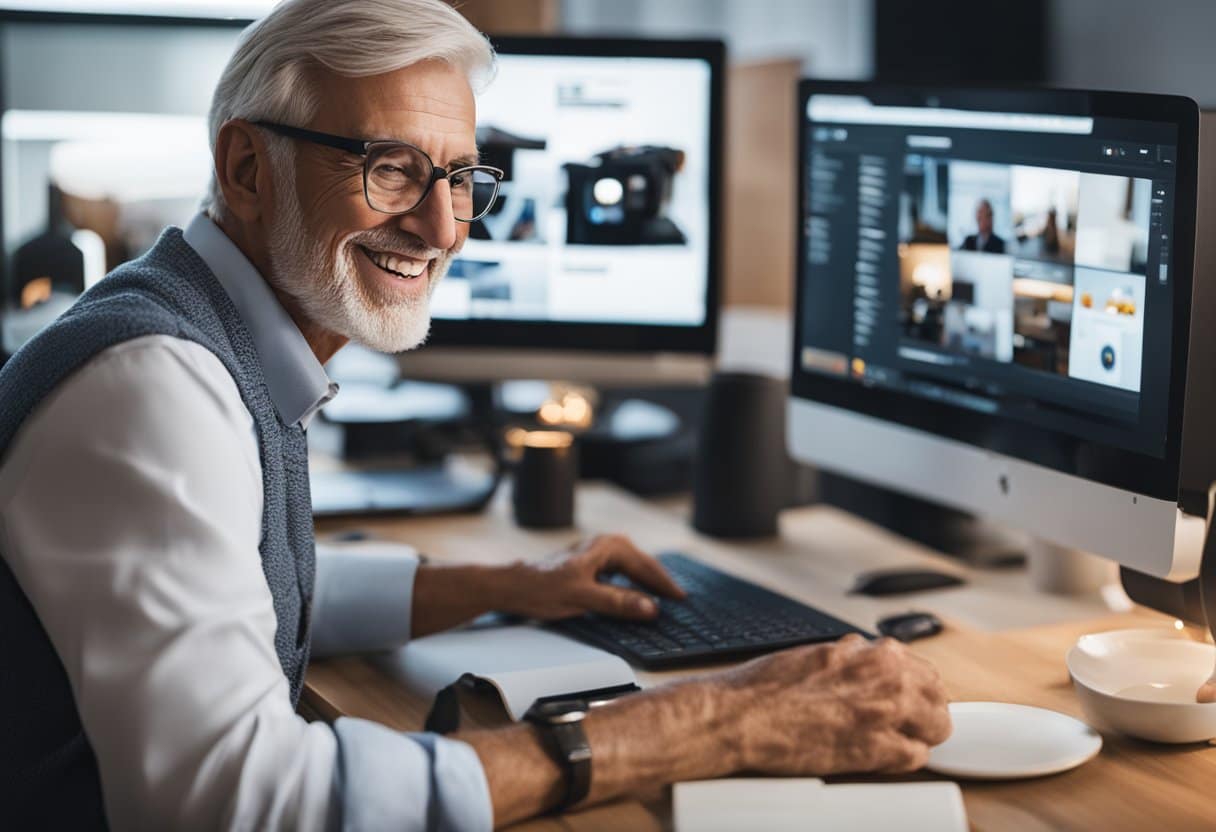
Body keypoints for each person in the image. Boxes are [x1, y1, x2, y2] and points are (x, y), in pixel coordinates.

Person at [0, 1, 951, 829]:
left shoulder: (205, 332)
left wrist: (513, 583)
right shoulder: (154, 389)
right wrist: (710, 721)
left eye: (461, 179)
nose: (445, 227)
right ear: (247, 168)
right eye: (392, 169)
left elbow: (243, 591)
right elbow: (246, 805)